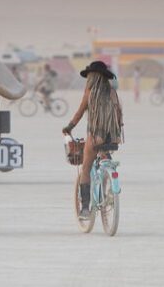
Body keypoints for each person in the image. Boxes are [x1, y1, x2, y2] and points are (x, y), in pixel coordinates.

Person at [62, 60, 124, 218]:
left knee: (86, 168)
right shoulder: (112, 91)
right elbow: (118, 114)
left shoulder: (90, 92)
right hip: (114, 137)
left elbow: (80, 112)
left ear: (92, 77)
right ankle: (106, 189)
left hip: (96, 137)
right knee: (105, 157)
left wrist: (69, 127)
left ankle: (85, 209)